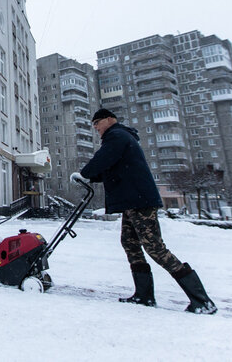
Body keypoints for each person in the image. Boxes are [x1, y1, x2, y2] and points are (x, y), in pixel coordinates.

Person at [71, 108, 217, 314]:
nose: (95, 127)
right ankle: (144, 295)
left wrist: (85, 173)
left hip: (139, 201)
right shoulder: (120, 138)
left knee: (155, 248)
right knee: (129, 243)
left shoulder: (117, 135)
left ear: (110, 119)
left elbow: (104, 158)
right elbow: (112, 168)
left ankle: (202, 301)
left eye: (97, 122)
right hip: (133, 201)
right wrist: (90, 178)